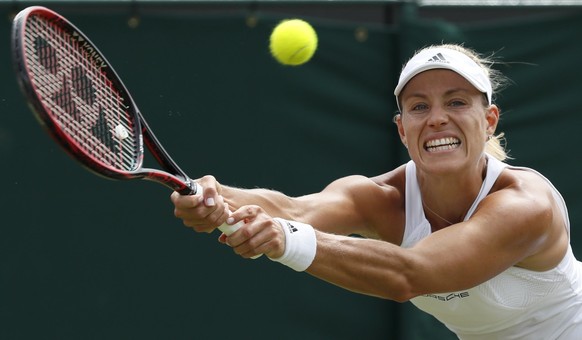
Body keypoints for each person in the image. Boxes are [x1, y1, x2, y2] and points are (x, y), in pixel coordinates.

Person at [171, 44, 582, 339]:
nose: (437, 119)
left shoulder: (527, 204)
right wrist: (216, 196)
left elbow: (410, 274)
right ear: (403, 129)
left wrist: (282, 239)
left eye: (456, 102)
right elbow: (294, 208)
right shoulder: (382, 198)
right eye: (419, 106)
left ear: (489, 120)